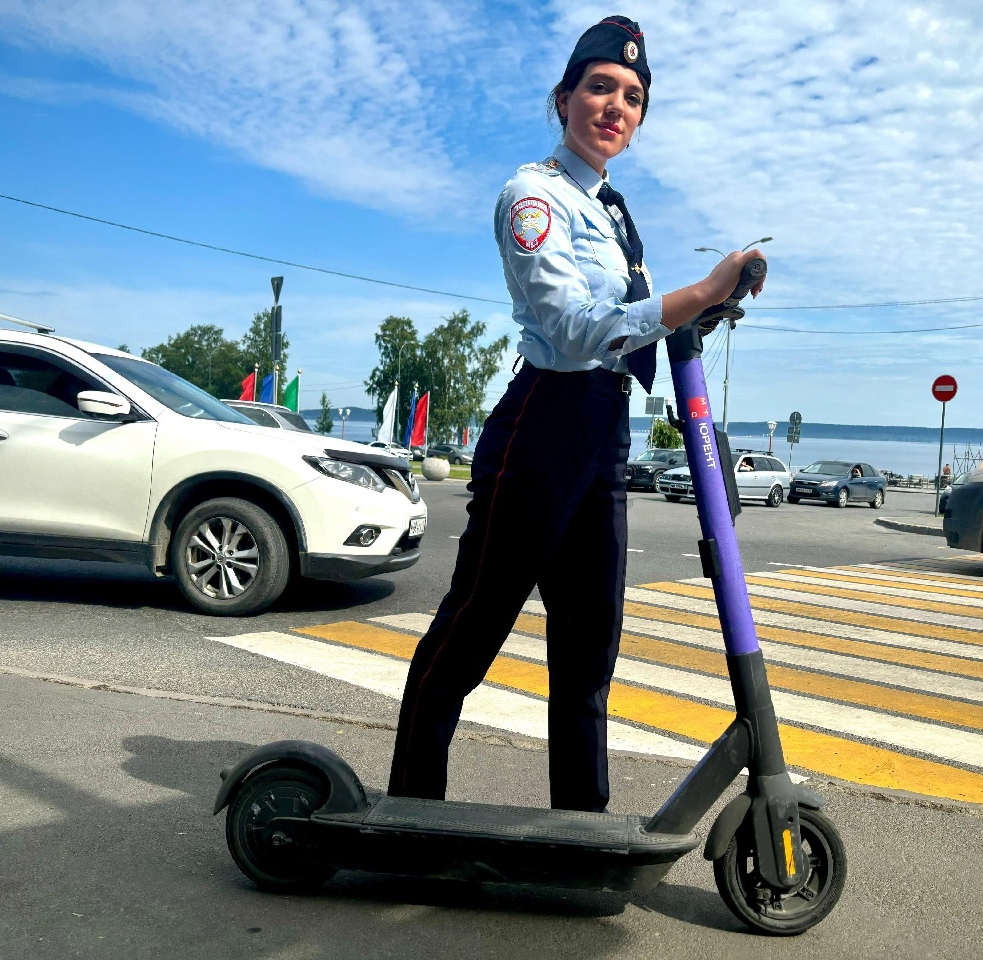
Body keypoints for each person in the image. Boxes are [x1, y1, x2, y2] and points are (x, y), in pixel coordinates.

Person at [387, 14, 766, 813]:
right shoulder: (533, 197)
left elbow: (640, 318)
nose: (615, 106)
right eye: (599, 87)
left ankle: (581, 828)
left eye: (632, 97)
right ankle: (410, 806)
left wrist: (709, 307)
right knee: (472, 629)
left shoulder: (617, 213)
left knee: (589, 653)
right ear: (563, 99)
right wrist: (696, 290)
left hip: (604, 432)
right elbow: (572, 327)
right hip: (542, 425)